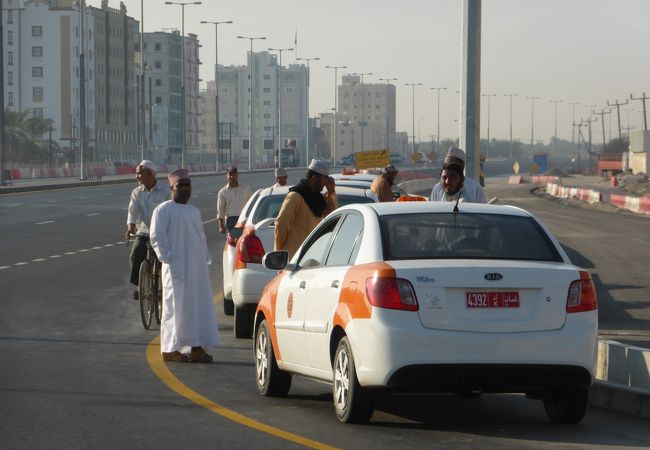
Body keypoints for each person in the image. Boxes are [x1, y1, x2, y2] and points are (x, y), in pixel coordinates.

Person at [150, 168, 219, 363]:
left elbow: (201, 237)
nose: (185, 189)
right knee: (174, 308)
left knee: (196, 308)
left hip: (196, 269)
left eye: (188, 185)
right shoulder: (163, 210)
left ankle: (196, 347)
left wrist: (204, 258)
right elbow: (157, 237)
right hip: (176, 268)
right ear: (172, 188)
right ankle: (170, 349)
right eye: (181, 185)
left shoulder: (194, 211)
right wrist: (169, 258)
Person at [275, 159, 338, 259]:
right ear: (314, 178)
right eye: (324, 178)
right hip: (294, 259)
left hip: (312, 258)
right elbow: (281, 225)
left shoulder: (319, 199)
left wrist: (331, 192)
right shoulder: (295, 196)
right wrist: (279, 255)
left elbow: (331, 217)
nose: (326, 182)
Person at [125, 160, 170, 300]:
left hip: (162, 233)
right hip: (144, 232)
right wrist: (130, 228)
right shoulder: (136, 193)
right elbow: (132, 212)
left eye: (139, 174)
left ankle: (166, 286)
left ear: (150, 174)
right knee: (135, 254)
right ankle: (142, 286)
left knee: (166, 261)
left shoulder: (165, 191)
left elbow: (170, 211)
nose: (137, 176)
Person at [216, 165, 252, 234]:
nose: (232, 177)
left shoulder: (246, 189)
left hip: (244, 220)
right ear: (227, 176)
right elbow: (220, 210)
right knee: (232, 242)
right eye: (230, 174)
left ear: (237, 175)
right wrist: (221, 225)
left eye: (234, 174)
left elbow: (252, 205)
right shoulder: (222, 192)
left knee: (244, 242)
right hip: (231, 221)